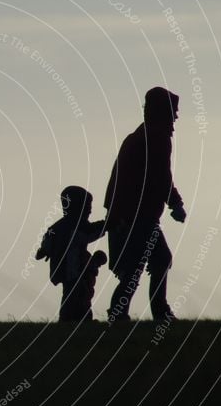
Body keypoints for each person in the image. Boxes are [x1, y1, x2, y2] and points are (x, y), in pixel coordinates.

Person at [104, 86, 187, 323]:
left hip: (127, 213)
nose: (177, 116)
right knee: (156, 260)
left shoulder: (140, 135)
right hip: (137, 214)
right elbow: (160, 175)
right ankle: (158, 312)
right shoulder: (156, 137)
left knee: (136, 266)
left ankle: (121, 313)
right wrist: (176, 203)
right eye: (174, 110)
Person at [36, 186, 106, 321]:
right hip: (72, 269)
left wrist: (43, 251)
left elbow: (47, 240)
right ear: (77, 206)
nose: (90, 209)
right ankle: (75, 320)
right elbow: (89, 233)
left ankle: (74, 319)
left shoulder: (56, 226)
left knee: (74, 293)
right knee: (79, 294)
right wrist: (107, 225)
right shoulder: (77, 226)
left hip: (63, 268)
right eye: (87, 205)